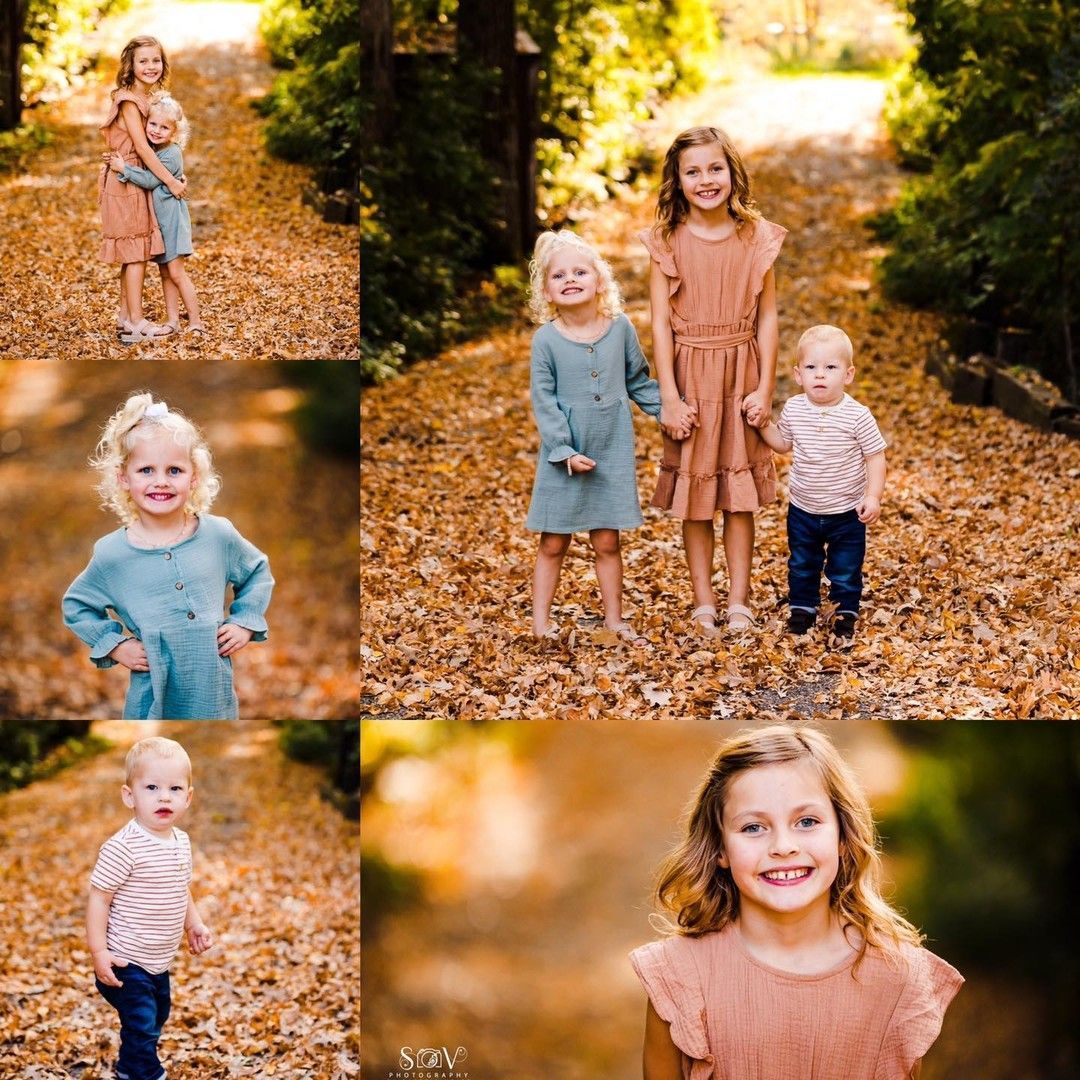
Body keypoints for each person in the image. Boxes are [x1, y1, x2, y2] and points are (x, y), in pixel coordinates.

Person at [630, 724, 962, 1079]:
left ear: (842, 836)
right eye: (753, 827)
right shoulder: (679, 978)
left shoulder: (898, 979)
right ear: (720, 849)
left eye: (807, 821)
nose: (783, 846)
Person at [640, 125, 786, 634]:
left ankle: (740, 600)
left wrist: (765, 388)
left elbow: (768, 317)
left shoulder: (757, 236)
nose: (706, 180)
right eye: (693, 171)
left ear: (732, 173)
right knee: (697, 497)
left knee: (739, 495)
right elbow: (659, 322)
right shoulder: (665, 242)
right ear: (677, 181)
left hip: (740, 374)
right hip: (691, 378)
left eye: (715, 169)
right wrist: (669, 397)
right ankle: (704, 599)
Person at [62, 393, 273, 719]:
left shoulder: (218, 535)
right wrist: (117, 646)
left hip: (211, 692)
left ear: (194, 477)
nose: (160, 481)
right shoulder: (112, 554)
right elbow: (77, 605)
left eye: (174, 470)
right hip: (153, 695)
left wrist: (244, 621)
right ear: (124, 478)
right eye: (146, 470)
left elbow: (257, 570)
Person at [526, 229, 670, 645]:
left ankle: (614, 619)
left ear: (600, 280)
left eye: (580, 271)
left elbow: (638, 380)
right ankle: (540, 622)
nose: (570, 279)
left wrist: (669, 409)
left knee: (607, 541)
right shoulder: (546, 340)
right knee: (554, 542)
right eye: (559, 276)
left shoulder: (620, 328)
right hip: (564, 455)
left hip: (610, 448)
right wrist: (564, 450)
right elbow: (544, 400)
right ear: (547, 291)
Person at [87, 737, 213, 1080]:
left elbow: (180, 887)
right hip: (126, 960)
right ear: (130, 796)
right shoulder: (123, 847)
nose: (163, 796)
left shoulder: (181, 842)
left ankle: (130, 1066)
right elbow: (99, 898)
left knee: (157, 1019)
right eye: (152, 787)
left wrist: (194, 924)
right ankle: (144, 1073)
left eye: (174, 788)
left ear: (187, 797)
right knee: (142, 1025)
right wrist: (100, 952)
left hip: (160, 961)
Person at [755, 324, 887, 639]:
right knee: (802, 562)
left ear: (848, 374)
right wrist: (762, 425)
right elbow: (782, 442)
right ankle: (803, 609)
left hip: (846, 512)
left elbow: (875, 456)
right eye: (811, 367)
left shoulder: (857, 415)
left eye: (830, 367)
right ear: (798, 374)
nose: (820, 375)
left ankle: (845, 613)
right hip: (803, 508)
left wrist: (873, 496)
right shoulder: (795, 408)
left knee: (845, 567)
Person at [99, 36, 188, 343]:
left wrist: (175, 170)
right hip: (128, 181)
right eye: (143, 61)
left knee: (133, 251)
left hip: (137, 177)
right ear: (131, 65)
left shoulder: (148, 100)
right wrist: (171, 181)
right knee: (135, 254)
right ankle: (136, 321)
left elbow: (162, 145)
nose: (150, 66)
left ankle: (125, 318)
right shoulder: (128, 101)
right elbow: (144, 150)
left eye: (156, 60)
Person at [109, 93, 205, 337]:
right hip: (160, 225)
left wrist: (124, 169)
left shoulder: (171, 154)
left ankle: (196, 322)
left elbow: (151, 180)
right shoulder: (153, 149)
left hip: (172, 224)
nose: (157, 130)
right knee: (165, 274)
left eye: (164, 127)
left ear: (174, 132)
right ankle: (172, 321)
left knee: (176, 273)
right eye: (153, 124)